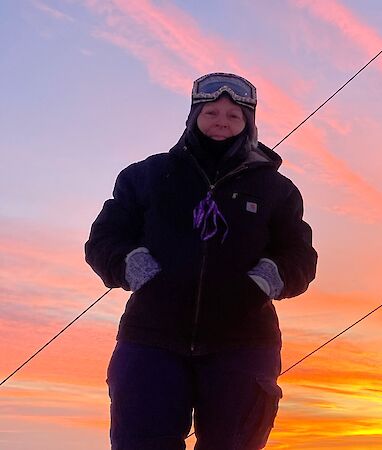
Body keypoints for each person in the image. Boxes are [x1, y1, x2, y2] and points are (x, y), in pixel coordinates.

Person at [85, 72, 317, 449]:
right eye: (211, 112)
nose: (221, 122)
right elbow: (104, 239)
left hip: (244, 343)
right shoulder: (146, 176)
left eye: (233, 115)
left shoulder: (277, 190)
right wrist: (136, 267)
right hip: (151, 338)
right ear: (194, 117)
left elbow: (300, 257)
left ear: (248, 124)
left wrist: (262, 281)